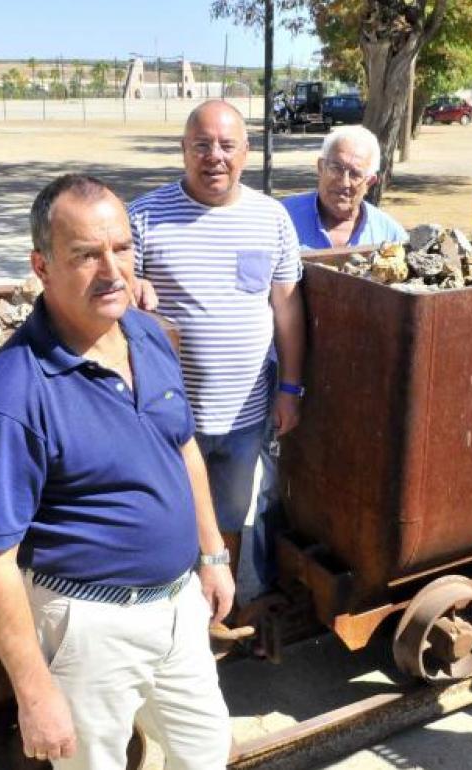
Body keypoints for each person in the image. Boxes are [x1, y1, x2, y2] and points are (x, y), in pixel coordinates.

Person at [0, 174, 233, 769]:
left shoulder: (145, 333)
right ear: (42, 266)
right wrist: (34, 693)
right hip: (89, 629)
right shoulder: (14, 394)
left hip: (179, 608)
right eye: (86, 254)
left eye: (122, 248)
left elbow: (182, 447)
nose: (112, 271)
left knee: (207, 753)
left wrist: (212, 554)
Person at [129, 100, 306, 598]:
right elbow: (119, 299)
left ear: (245, 153)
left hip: (245, 416)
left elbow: (288, 312)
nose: (215, 156)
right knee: (167, 520)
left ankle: (219, 610)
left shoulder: (271, 219)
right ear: (183, 150)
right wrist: (132, 290)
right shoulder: (144, 218)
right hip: (166, 420)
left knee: (229, 519)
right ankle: (172, 609)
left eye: (227, 145)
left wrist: (291, 387)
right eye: (202, 145)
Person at [281, 125, 408, 249]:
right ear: (320, 167)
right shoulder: (282, 219)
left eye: (355, 174)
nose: (344, 183)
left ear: (369, 182)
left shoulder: (390, 236)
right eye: (336, 168)